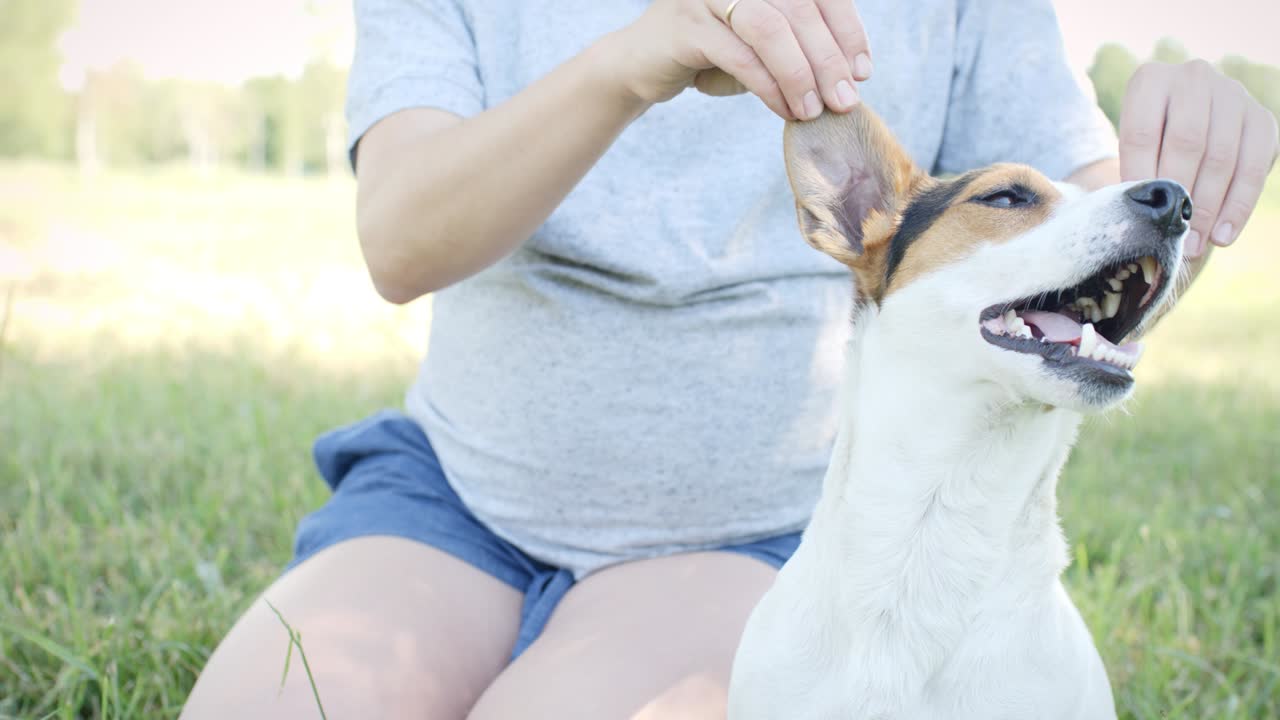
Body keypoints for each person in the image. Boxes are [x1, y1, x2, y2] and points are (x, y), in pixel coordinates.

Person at [181, 1, 1278, 718]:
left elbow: (1082, 256)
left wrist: (1186, 185)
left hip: (757, 542)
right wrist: (630, 58)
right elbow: (401, 238)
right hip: (459, 502)